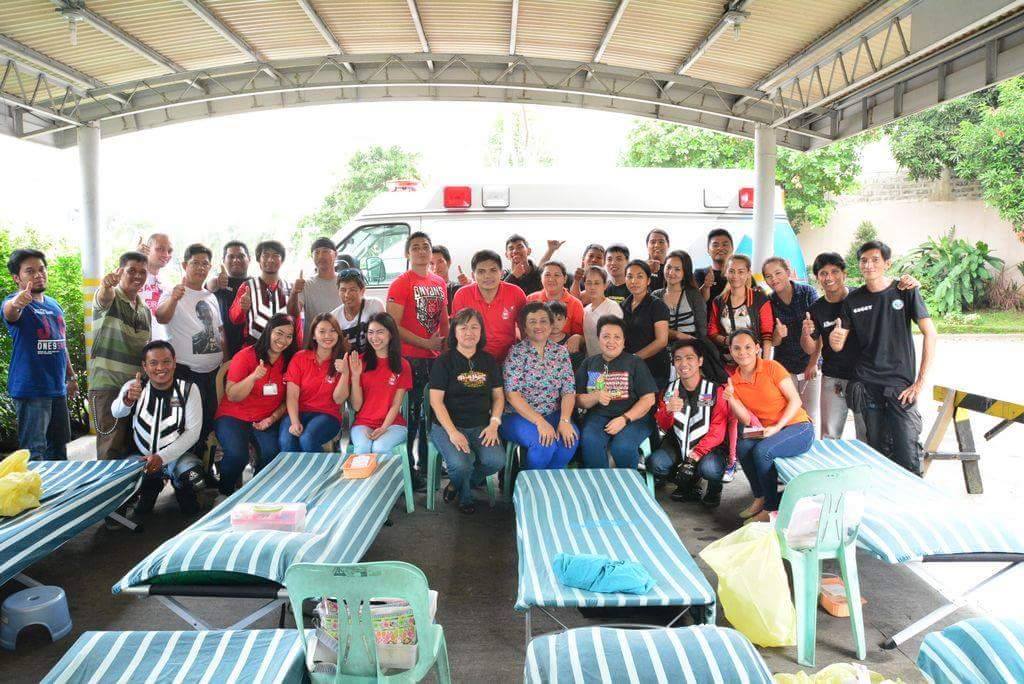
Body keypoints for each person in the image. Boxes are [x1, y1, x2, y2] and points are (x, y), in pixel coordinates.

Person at [835, 241, 937, 475]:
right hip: (867, 384)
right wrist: (834, 338)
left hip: (900, 386)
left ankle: (911, 494)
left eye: (875, 260)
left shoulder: (905, 290)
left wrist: (919, 382)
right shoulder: (853, 300)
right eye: (863, 260)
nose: (868, 265)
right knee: (878, 451)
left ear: (887, 263)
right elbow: (838, 343)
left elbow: (930, 333)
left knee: (907, 453)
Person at [801, 252, 919, 440]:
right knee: (830, 434)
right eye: (823, 273)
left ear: (844, 274)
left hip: (866, 379)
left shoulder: (863, 297)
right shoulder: (815, 309)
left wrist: (908, 283)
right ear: (817, 278)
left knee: (867, 435)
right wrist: (806, 333)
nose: (829, 277)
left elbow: (887, 292)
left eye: (834, 271)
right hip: (834, 378)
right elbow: (810, 348)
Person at [722, 329, 815, 522]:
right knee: (742, 446)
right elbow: (746, 420)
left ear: (757, 348)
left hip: (798, 427)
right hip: (768, 431)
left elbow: (796, 400)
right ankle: (760, 496)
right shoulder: (734, 380)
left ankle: (771, 508)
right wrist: (731, 399)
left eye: (748, 347)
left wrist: (777, 426)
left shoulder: (772, 367)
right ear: (730, 351)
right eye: (737, 348)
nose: (742, 352)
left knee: (762, 451)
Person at [111, 341, 205, 515]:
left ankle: (182, 491)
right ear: (144, 366)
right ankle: (149, 489)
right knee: (120, 482)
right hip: (141, 457)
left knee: (193, 477)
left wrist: (162, 457)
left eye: (166, 361)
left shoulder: (189, 389)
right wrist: (128, 399)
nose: (160, 368)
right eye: (153, 363)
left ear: (174, 362)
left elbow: (193, 432)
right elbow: (116, 412)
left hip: (177, 457)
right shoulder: (134, 387)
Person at [387, 231, 449, 488]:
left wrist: (445, 351)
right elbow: (392, 325)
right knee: (411, 416)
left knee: (431, 416)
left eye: (426, 246)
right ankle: (409, 471)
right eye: (415, 247)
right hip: (410, 360)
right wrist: (426, 344)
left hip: (435, 361)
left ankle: (427, 466)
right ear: (407, 253)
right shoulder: (401, 283)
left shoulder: (439, 282)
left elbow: (444, 321)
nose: (421, 251)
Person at [428, 308, 505, 514]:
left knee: (496, 461)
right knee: (461, 465)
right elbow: (436, 402)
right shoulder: (444, 362)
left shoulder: (488, 361)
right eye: (463, 328)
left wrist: (494, 424)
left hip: (481, 425)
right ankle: (465, 496)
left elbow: (499, 397)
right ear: (454, 332)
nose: (469, 332)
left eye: (474, 327)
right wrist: (453, 432)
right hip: (446, 426)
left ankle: (458, 484)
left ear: (481, 331)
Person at [3, 249, 75, 460]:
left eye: (41, 269)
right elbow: (10, 312)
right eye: (30, 271)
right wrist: (17, 303)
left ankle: (58, 484)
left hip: (57, 389)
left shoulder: (54, 305)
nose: (38, 275)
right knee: (34, 452)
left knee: (59, 450)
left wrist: (71, 377)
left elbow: (61, 344)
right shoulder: (15, 301)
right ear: (17, 278)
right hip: (31, 390)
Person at [213, 313, 297, 495]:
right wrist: (252, 377)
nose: (283, 340)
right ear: (269, 331)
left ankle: (255, 493)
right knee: (237, 455)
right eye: (279, 333)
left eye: (289, 336)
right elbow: (232, 395)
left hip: (265, 419)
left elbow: (288, 399)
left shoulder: (289, 361)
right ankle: (225, 492)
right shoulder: (246, 356)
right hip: (233, 416)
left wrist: (272, 418)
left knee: (272, 453)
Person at [156, 243, 225, 456]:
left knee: (208, 422)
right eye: (195, 263)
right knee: (185, 423)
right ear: (185, 265)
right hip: (186, 373)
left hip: (213, 373)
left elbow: (219, 332)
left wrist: (226, 362)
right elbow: (161, 317)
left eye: (205, 264)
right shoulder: (173, 292)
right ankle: (185, 468)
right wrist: (174, 299)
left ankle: (204, 466)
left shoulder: (211, 297)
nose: (201, 267)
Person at [651, 340, 730, 507]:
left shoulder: (715, 390)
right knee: (656, 464)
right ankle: (689, 486)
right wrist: (668, 410)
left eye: (689, 358)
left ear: (700, 361)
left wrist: (695, 456)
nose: (683, 363)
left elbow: (718, 429)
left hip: (708, 447)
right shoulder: (669, 391)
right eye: (678, 359)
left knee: (710, 469)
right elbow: (663, 426)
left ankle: (714, 488)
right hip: (677, 443)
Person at [501, 303, 579, 470]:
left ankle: (548, 482)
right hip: (518, 416)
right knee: (544, 444)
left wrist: (565, 420)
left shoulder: (560, 352)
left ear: (551, 325)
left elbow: (568, 391)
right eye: (532, 322)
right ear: (524, 328)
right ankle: (529, 483)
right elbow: (512, 395)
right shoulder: (516, 353)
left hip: (553, 412)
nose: (538, 326)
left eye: (543, 321)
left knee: (569, 440)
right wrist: (539, 422)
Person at [89, 252, 152, 460]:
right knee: (111, 450)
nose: (138, 276)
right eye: (131, 270)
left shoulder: (145, 309)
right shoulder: (111, 296)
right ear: (120, 271)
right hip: (108, 387)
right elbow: (103, 297)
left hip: (135, 389)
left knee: (134, 448)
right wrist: (106, 285)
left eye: (143, 272)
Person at [575, 315, 657, 469]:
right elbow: (577, 399)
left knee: (622, 447)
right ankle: (600, 482)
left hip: (634, 418)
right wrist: (595, 397)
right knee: (590, 442)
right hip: (598, 416)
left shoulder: (635, 362)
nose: (611, 341)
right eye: (606, 336)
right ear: (598, 339)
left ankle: (627, 482)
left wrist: (625, 419)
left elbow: (648, 399)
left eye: (617, 337)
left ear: (624, 341)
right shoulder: (589, 363)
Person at [762, 256, 821, 429]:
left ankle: (810, 444)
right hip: (785, 366)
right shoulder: (769, 301)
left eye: (778, 273)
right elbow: (773, 342)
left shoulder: (808, 292)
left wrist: (813, 363)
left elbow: (820, 334)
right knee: (789, 415)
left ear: (787, 272)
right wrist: (778, 335)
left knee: (811, 415)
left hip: (810, 362)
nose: (774, 279)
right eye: (768, 276)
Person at [280, 313, 350, 452]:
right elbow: (292, 396)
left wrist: (345, 373)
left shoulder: (342, 361)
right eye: (322, 331)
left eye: (333, 331)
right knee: (287, 441)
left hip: (328, 415)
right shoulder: (300, 358)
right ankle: (298, 468)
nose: (327, 336)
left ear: (338, 334)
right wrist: (294, 421)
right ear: (313, 335)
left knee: (308, 438)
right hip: (298, 411)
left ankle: (320, 467)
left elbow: (338, 399)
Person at [348, 313, 413, 455]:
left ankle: (386, 472)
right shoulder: (359, 362)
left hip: (393, 424)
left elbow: (396, 404)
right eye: (370, 332)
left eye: (380, 332)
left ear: (391, 334)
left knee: (380, 448)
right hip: (363, 423)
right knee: (363, 449)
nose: (374, 337)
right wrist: (355, 376)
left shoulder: (403, 365)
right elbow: (357, 406)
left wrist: (383, 428)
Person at [451, 250, 527, 362]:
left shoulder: (516, 293)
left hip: (510, 359)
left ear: (502, 273)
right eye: (481, 271)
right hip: (473, 358)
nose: (487, 276)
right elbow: (456, 331)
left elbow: (525, 328)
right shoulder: (462, 295)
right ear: (473, 275)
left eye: (493, 270)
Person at [707, 254, 774, 368]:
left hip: (754, 362)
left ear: (748, 273)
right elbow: (712, 332)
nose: (735, 276)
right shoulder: (719, 301)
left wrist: (764, 365)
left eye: (741, 271)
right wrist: (727, 340)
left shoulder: (760, 299)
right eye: (731, 271)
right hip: (727, 362)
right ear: (725, 272)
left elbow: (767, 334)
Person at [229, 240, 293, 347]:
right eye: (265, 255)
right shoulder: (247, 286)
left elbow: (297, 323)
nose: (270, 259)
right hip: (254, 348)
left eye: (276, 255)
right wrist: (242, 307)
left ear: (282, 260)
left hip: (283, 349)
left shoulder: (290, 288)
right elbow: (234, 319)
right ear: (259, 259)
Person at [621, 260, 670, 391]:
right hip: (630, 369)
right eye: (630, 276)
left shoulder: (657, 305)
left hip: (654, 369)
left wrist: (634, 358)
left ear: (648, 281)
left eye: (639, 276)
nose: (634, 281)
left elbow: (662, 341)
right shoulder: (622, 305)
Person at [291, 237, 343, 342]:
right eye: (316, 252)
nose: (321, 256)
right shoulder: (306, 284)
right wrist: (294, 293)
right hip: (314, 344)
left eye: (325, 251)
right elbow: (294, 314)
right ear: (312, 257)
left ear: (335, 254)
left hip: (339, 342)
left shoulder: (345, 282)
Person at [653, 250, 707, 343]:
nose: (671, 272)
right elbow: (651, 328)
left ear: (685, 272)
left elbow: (702, 329)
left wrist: (697, 345)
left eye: (677, 269)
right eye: (668, 267)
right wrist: (677, 335)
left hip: (692, 344)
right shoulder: (656, 296)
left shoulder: (693, 294)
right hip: (663, 345)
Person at [208, 241, 250, 357]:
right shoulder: (220, 281)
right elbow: (210, 285)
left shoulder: (255, 283)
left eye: (241, 256)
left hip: (250, 347)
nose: (236, 260)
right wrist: (217, 281)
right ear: (223, 260)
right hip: (224, 348)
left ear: (249, 259)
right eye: (231, 256)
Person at [330, 269, 385, 354]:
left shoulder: (375, 306)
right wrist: (341, 350)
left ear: (362, 291)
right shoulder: (334, 317)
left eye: (352, 290)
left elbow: (385, 337)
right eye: (343, 290)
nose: (347, 295)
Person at [525, 261, 584, 336]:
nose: (551, 279)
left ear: (565, 279)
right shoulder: (531, 299)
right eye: (547, 275)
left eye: (556, 275)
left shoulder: (575, 304)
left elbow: (578, 336)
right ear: (541, 278)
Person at [137, 233, 175, 340]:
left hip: (161, 345)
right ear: (147, 249)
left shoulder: (167, 283)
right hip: (134, 345)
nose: (166, 254)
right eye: (160, 249)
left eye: (169, 251)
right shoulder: (132, 277)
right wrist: (135, 258)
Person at [582, 265, 623, 356]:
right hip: (591, 360)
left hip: (610, 360)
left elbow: (616, 338)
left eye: (597, 283)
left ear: (605, 285)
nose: (592, 287)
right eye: (589, 283)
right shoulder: (585, 310)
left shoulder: (612, 307)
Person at [695, 229, 734, 303]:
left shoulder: (742, 274)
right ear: (708, 250)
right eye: (715, 245)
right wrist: (706, 286)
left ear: (732, 248)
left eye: (725, 244)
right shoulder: (700, 274)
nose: (720, 248)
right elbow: (695, 302)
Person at [546, 300, 585, 368]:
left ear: (565, 321)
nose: (555, 323)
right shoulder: (539, 342)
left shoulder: (572, 343)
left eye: (559, 319)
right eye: (551, 319)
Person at [430, 244, 468, 311]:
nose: (436, 267)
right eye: (431, 263)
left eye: (440, 261)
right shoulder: (423, 291)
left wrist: (469, 286)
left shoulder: (457, 288)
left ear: (449, 262)